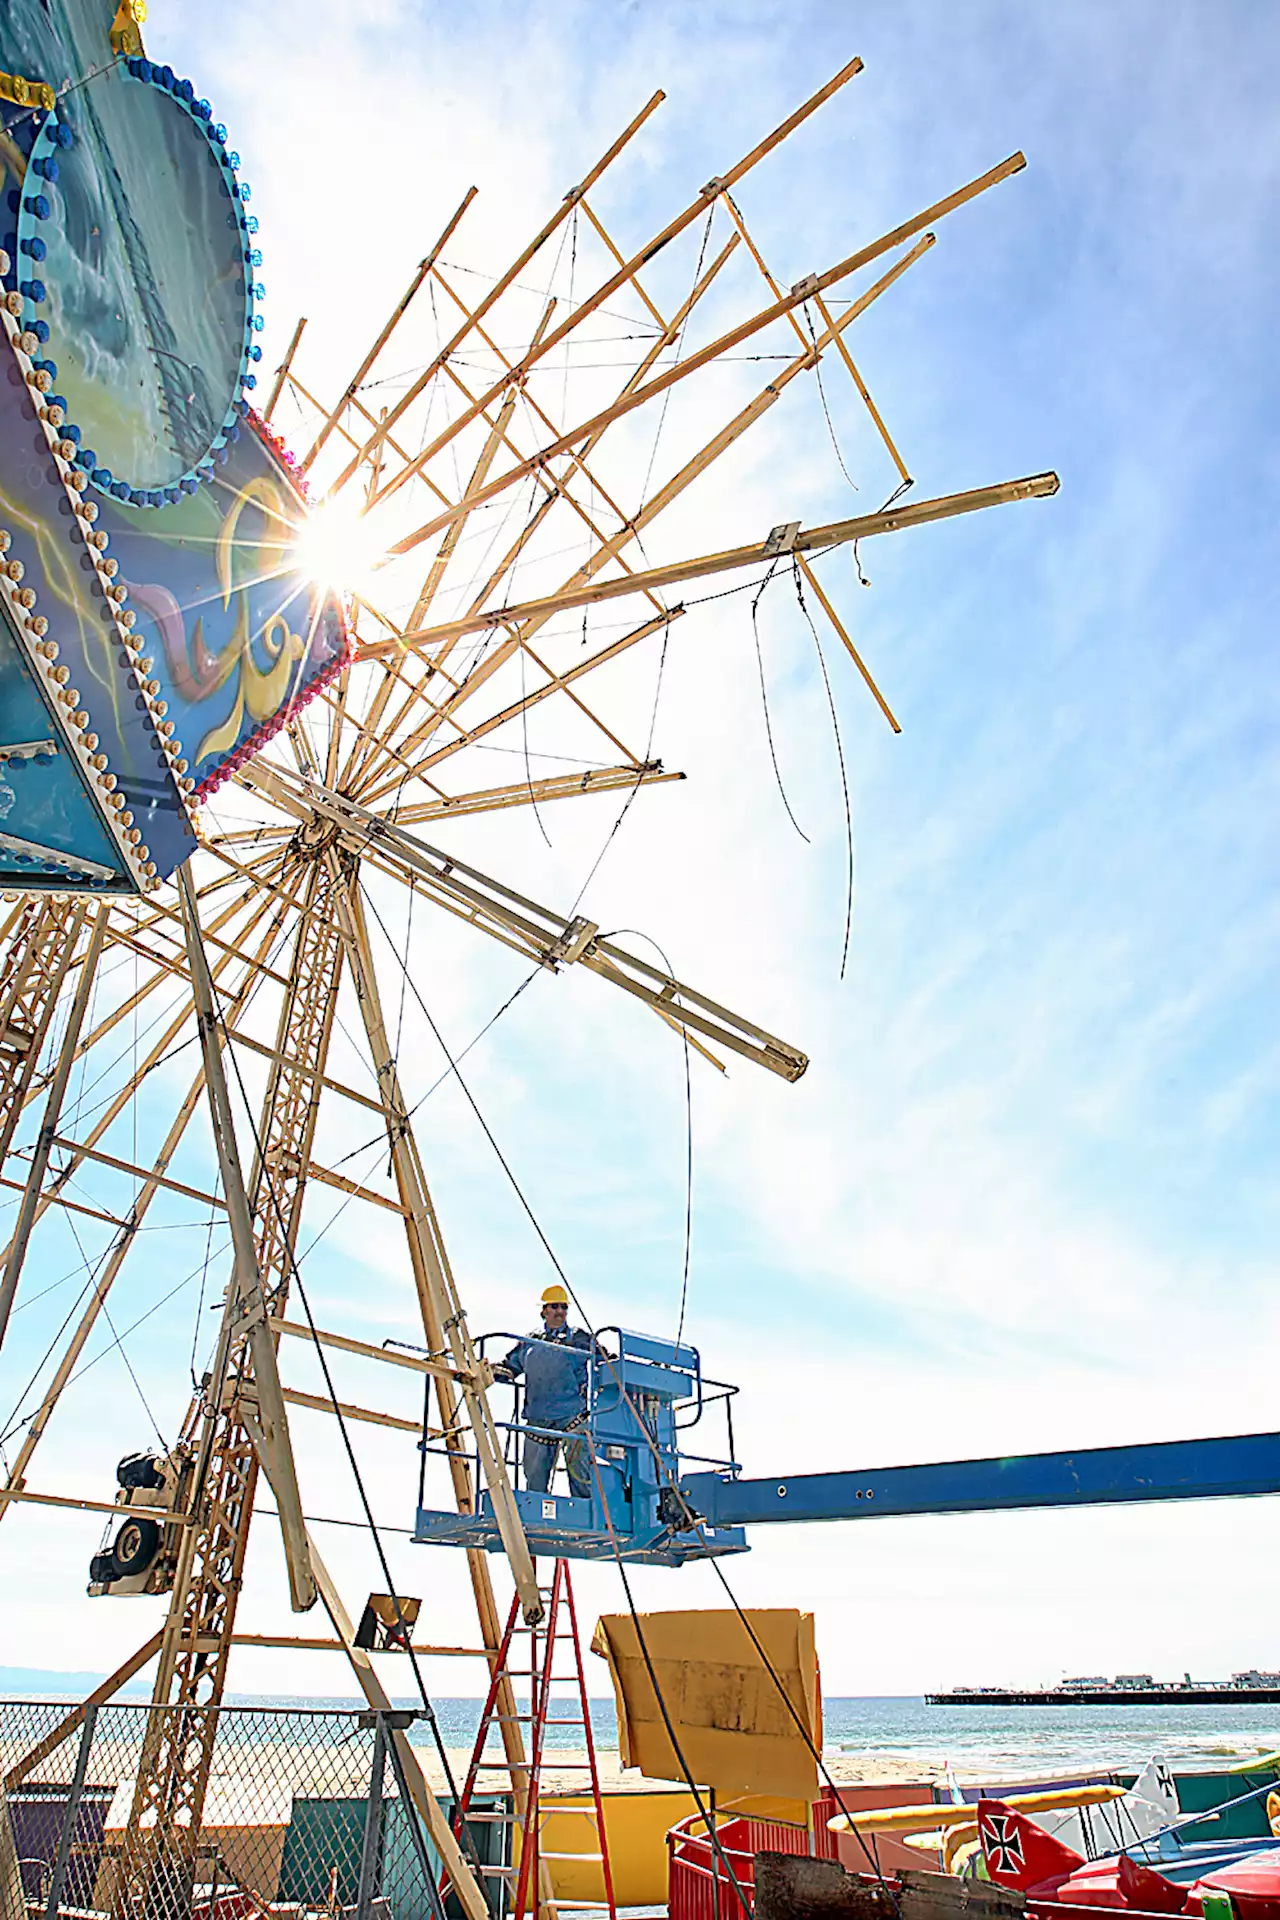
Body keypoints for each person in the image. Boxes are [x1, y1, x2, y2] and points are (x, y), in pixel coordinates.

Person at [495, 1285, 597, 1498]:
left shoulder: (578, 1338)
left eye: (563, 1307)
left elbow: (604, 1357)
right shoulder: (530, 1342)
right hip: (538, 1418)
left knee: (580, 1469)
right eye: (554, 1307)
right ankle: (535, 1510)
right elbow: (510, 1367)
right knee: (534, 1476)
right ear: (543, 1311)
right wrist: (493, 1371)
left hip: (572, 1417)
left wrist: (614, 1361)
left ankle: (584, 1508)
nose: (559, 1311)